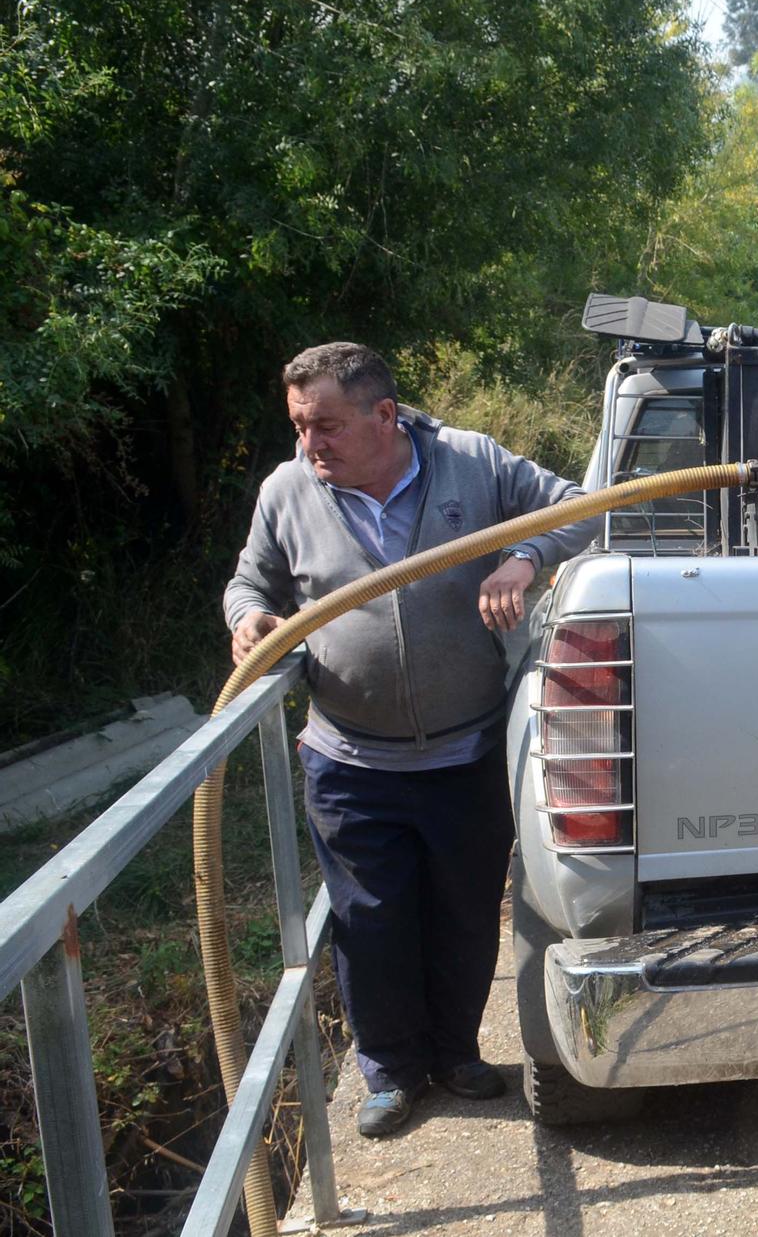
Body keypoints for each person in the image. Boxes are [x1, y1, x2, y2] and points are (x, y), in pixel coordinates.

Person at [225, 342, 594, 1138]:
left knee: (464, 912)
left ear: (384, 415)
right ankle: (389, 1072)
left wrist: (523, 556)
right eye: (299, 425)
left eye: (324, 424)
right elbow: (250, 581)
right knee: (371, 920)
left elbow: (578, 506)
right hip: (352, 758)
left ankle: (457, 1054)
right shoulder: (289, 491)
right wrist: (247, 619)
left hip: (466, 753)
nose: (309, 443)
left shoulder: (472, 462)